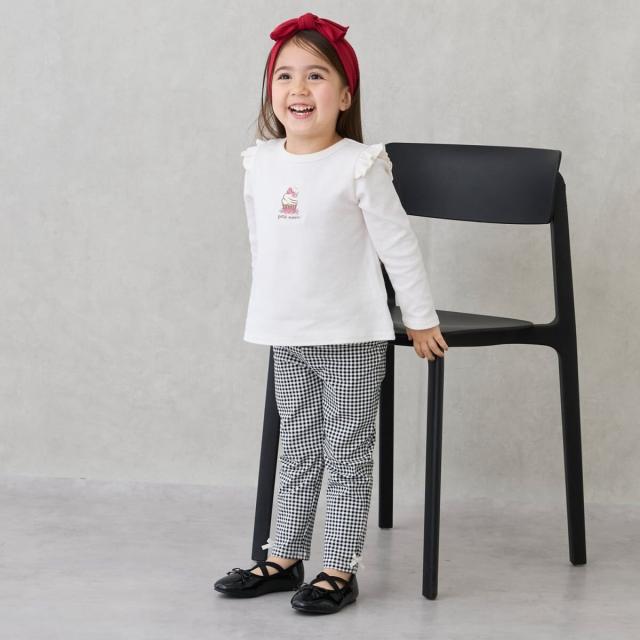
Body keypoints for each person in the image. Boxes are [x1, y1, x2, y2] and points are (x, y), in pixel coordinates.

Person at [214, 12, 448, 614]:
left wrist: (420, 317)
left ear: (344, 96)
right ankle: (284, 555)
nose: (299, 88)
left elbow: (398, 244)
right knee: (297, 446)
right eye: (285, 75)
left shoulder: (358, 164)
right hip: (287, 332)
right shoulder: (261, 162)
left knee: (346, 451)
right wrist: (267, 308)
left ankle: (339, 568)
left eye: (316, 76)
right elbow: (261, 243)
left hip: (350, 335)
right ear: (270, 91)